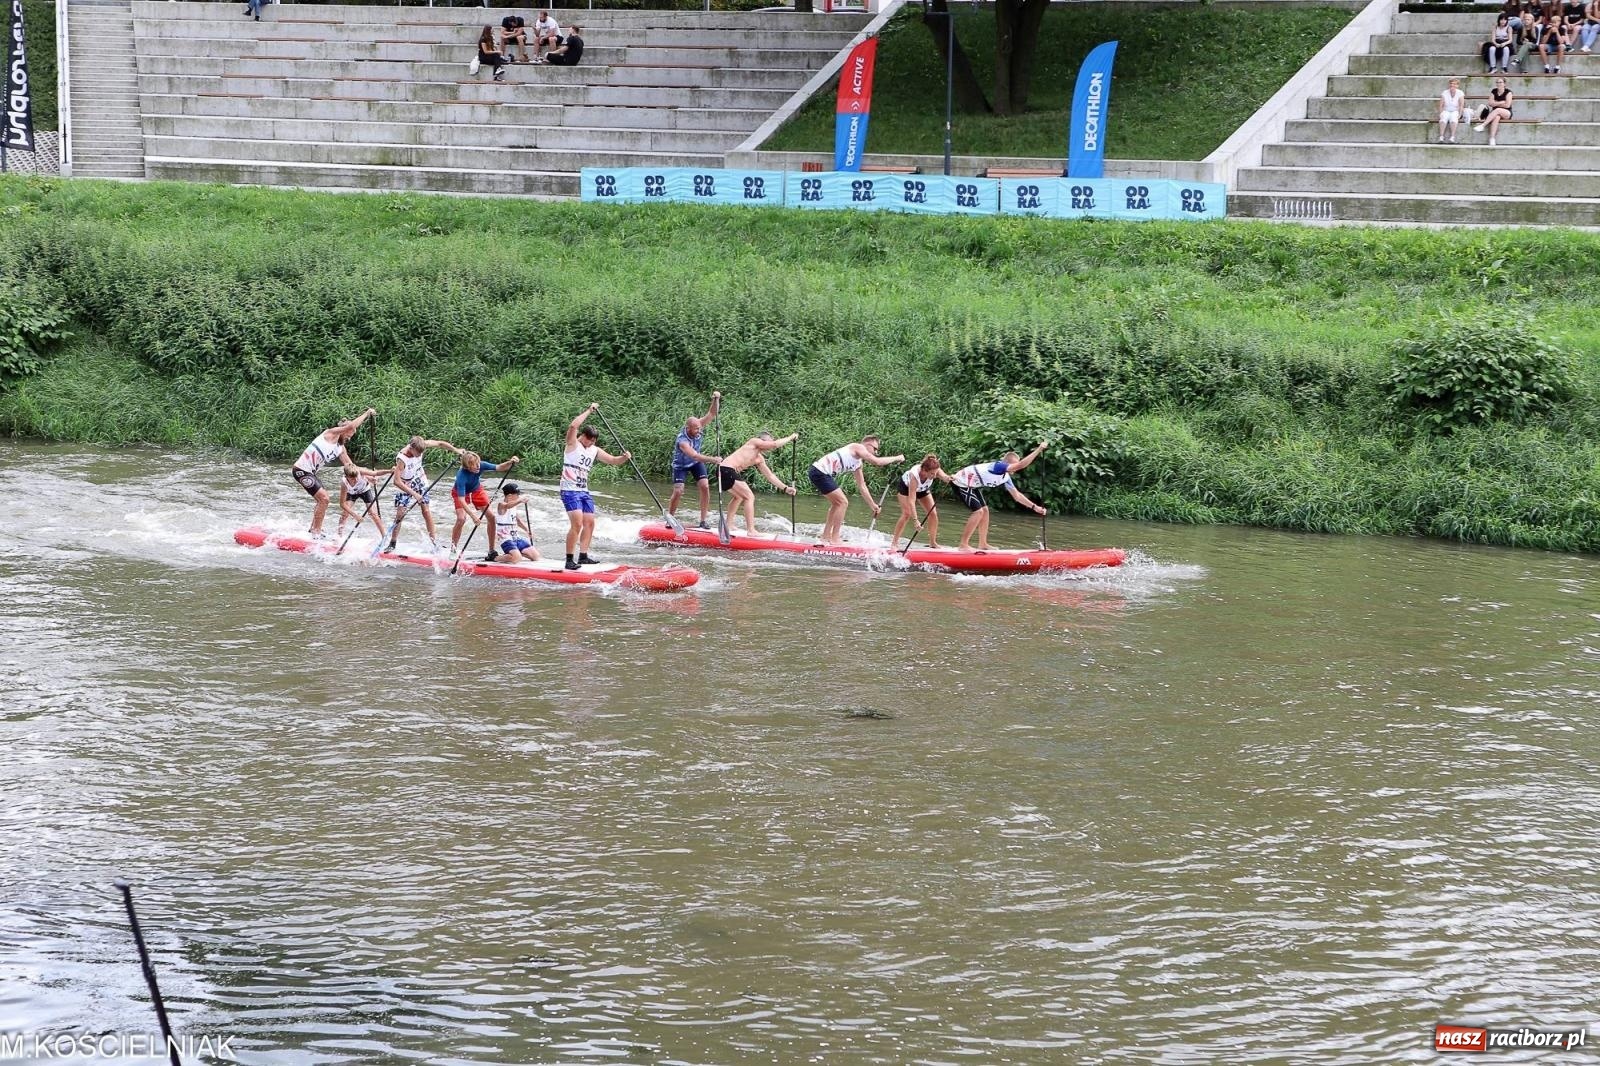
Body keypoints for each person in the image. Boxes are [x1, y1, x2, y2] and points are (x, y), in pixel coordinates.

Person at [561, 403, 631, 570]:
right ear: (583, 436)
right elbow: (573, 426)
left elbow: (613, 461)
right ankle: (569, 560)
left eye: (594, 441)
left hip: (583, 491)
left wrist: (624, 458)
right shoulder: (572, 444)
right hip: (569, 490)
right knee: (577, 524)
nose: (591, 443)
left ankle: (583, 556)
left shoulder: (594, 450)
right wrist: (589, 411)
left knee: (590, 523)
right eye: (589, 440)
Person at [290, 407, 377, 538]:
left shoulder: (340, 449)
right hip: (301, 470)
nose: (349, 439)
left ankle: (313, 529)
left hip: (310, 473)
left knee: (322, 500)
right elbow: (351, 426)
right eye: (348, 435)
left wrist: (368, 477)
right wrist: (367, 413)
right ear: (343, 430)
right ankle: (316, 532)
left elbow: (351, 466)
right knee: (324, 499)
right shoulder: (331, 433)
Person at [807, 435, 906, 545]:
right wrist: (897, 458)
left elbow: (862, 486)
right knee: (843, 503)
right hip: (819, 471)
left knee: (837, 504)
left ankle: (825, 536)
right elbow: (877, 462)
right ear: (867, 444)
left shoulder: (858, 464)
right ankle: (835, 539)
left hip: (822, 474)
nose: (875, 452)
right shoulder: (857, 447)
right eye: (874, 449)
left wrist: (873, 505)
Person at [950, 444, 1049, 552]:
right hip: (960, 482)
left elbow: (1017, 496)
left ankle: (982, 544)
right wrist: (1039, 449)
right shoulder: (999, 466)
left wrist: (1035, 507)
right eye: (1014, 465)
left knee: (985, 510)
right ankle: (963, 545)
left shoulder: (1006, 477)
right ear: (1007, 463)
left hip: (972, 485)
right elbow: (1020, 465)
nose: (1015, 469)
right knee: (978, 512)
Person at [387, 435, 464, 552]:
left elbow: (440, 443)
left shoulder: (421, 444)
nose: (419, 455)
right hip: (405, 484)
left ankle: (434, 542)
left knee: (426, 511)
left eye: (421, 453)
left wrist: (456, 450)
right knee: (400, 514)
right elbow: (396, 481)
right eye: (417, 453)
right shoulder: (402, 459)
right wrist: (414, 494)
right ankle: (392, 543)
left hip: (419, 480)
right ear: (411, 448)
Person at [717, 431, 799, 538]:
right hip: (726, 469)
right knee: (749, 497)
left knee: (738, 497)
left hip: (726, 472)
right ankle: (751, 530)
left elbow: (770, 476)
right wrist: (791, 437)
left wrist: (785, 488)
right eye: (769, 441)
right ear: (763, 440)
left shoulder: (759, 459)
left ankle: (728, 524)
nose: (770, 444)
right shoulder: (754, 442)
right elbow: (775, 445)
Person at [666, 391, 722, 529]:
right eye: (696, 429)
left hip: (696, 464)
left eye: (699, 428)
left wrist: (716, 399)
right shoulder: (682, 441)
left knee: (705, 486)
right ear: (688, 428)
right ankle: (670, 519)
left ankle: (703, 520)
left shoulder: (699, 424)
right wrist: (714, 460)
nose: (699, 430)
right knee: (678, 491)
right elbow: (695, 455)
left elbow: (712, 413)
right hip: (681, 465)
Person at [450, 451, 520, 550]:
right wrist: (473, 516)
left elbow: (500, 467)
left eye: (478, 463)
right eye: (474, 465)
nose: (478, 466)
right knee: (461, 519)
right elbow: (461, 499)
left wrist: (510, 462)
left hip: (476, 489)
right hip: (461, 493)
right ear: (467, 467)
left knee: (491, 517)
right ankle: (453, 548)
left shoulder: (481, 465)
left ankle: (491, 550)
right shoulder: (461, 476)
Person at [890, 455, 952, 548]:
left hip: (922, 489)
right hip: (906, 488)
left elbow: (945, 477)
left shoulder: (935, 469)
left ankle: (932, 542)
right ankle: (894, 543)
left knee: (933, 513)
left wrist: (949, 478)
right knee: (907, 514)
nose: (935, 476)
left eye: (935, 473)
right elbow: (912, 501)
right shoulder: (914, 476)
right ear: (924, 471)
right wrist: (915, 520)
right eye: (932, 474)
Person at [490, 484, 541, 564]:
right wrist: (520, 500)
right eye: (517, 495)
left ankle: (514, 554)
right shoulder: (501, 505)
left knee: (536, 556)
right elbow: (508, 506)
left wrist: (527, 530)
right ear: (509, 496)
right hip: (506, 538)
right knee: (516, 559)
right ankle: (494, 557)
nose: (519, 496)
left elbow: (518, 520)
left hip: (515, 537)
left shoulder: (513, 506)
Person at [335, 465, 384, 538]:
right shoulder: (344, 483)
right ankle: (339, 536)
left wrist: (390, 471)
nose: (355, 480)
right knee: (345, 514)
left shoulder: (359, 471)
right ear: (347, 477)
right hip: (352, 493)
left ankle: (384, 536)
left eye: (356, 477)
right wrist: (355, 516)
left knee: (373, 514)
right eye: (352, 479)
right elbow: (342, 504)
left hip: (364, 490)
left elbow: (376, 473)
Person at [1474, 76, 1514, 145]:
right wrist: (1501, 102)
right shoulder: (1494, 91)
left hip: (1507, 113)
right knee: (1496, 117)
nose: (1498, 84)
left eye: (1500, 82)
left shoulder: (1508, 92)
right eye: (1497, 82)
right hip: (1495, 113)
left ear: (1504, 84)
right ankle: (1492, 139)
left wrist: (1495, 103)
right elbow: (1490, 103)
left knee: (1498, 110)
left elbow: (1507, 105)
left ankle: (1483, 125)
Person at [1438, 78, 1467, 143]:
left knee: (1453, 119)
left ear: (1457, 85)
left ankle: (1452, 137)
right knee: (1443, 119)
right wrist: (1441, 113)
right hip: (1446, 110)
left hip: (1455, 110)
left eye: (1454, 84)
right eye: (1451, 83)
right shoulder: (1444, 92)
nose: (1452, 85)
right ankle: (1441, 136)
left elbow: (1461, 105)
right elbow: (1441, 105)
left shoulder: (1460, 93)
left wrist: (1460, 114)